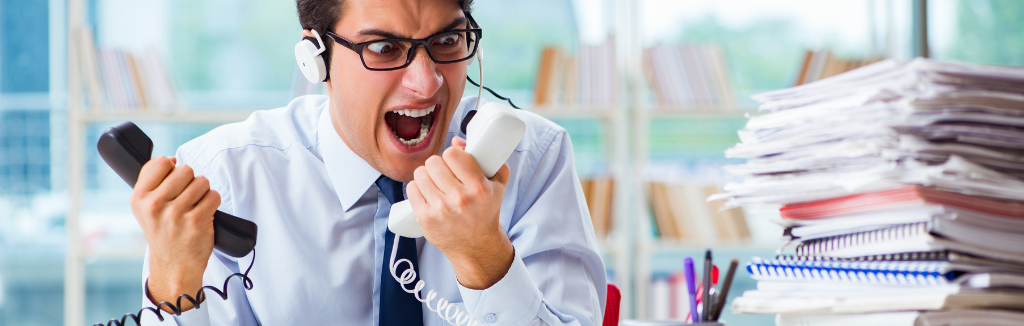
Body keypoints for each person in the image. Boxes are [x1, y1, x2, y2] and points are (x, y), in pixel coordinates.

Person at [133, 0, 606, 325]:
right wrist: (173, 281)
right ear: (315, 58)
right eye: (384, 48)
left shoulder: (531, 159)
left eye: (447, 40)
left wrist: (483, 256)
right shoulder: (227, 178)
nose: (427, 83)